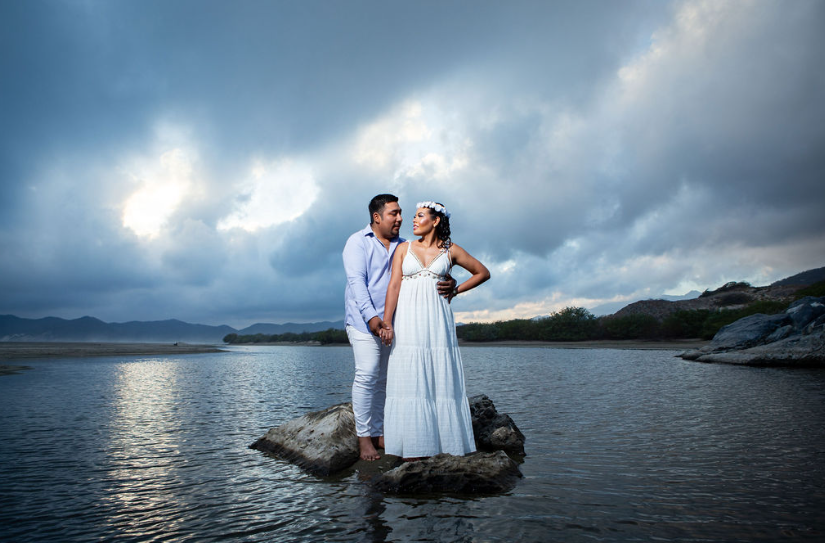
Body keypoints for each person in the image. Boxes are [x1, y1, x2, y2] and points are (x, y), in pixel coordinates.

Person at [342, 194, 456, 461]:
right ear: (377, 217)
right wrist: (372, 318)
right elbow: (357, 283)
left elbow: (428, 269)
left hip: (395, 322)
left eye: (401, 213)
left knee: (386, 379)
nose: (401, 218)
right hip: (363, 321)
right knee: (368, 373)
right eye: (394, 213)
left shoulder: (405, 245)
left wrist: (451, 282)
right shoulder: (357, 242)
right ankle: (364, 440)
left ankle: (380, 433)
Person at [380, 201, 490, 460]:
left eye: (420, 216)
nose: (414, 221)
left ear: (436, 220)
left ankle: (445, 444)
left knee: (439, 375)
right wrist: (387, 323)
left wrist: (456, 289)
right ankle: (411, 446)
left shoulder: (451, 250)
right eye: (414, 217)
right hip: (407, 321)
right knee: (409, 377)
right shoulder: (403, 249)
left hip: (437, 322)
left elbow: (482, 272)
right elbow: (394, 286)